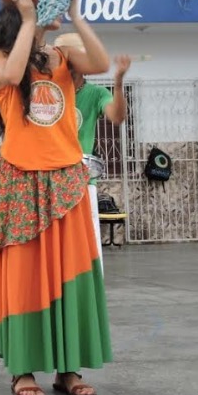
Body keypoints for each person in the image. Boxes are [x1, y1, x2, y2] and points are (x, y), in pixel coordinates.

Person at [0, 0, 113, 395]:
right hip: (20, 180)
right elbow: (14, 73)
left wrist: (74, 10)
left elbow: (102, 62)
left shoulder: (62, 54)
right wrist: (30, 18)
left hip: (66, 179)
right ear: (19, 15)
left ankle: (67, 370)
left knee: (70, 278)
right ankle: (22, 370)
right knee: (26, 278)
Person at [54, 33, 131, 268]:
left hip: (82, 182)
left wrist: (117, 82)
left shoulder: (96, 94)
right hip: (49, 180)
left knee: (85, 251)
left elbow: (117, 116)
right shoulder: (47, 92)